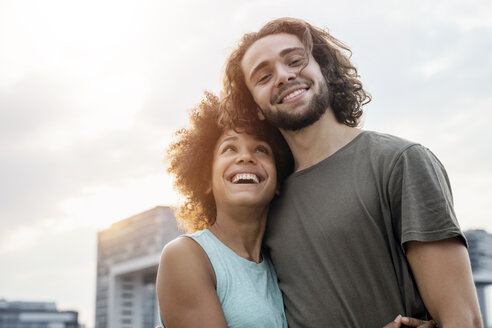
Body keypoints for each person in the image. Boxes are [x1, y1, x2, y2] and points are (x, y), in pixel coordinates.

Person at [220, 17, 483, 327]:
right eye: (263, 76)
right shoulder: (266, 201)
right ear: (256, 108)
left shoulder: (401, 161)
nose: (283, 76)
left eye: (295, 60)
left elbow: (462, 319)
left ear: (324, 70)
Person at [155, 92, 435, 328]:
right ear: (206, 180)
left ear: (277, 182)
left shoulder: (280, 268)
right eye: (229, 149)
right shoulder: (187, 255)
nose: (245, 157)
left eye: (261, 150)